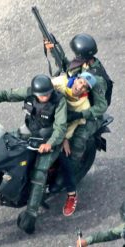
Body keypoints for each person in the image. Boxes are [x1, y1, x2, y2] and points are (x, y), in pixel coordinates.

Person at [0, 75, 67, 234]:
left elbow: (60, 128)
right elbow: (6, 94)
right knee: (4, 142)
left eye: (48, 93)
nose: (45, 97)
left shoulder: (59, 101)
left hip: (49, 139)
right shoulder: (29, 92)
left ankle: (31, 214)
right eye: (42, 94)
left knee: (39, 172)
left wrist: (49, 144)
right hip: (29, 130)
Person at [46, 34, 111, 181]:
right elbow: (69, 69)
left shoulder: (98, 79)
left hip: (91, 113)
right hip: (76, 100)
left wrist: (80, 115)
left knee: (78, 140)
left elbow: (101, 107)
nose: (75, 57)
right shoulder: (84, 63)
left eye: (77, 55)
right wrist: (52, 50)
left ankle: (69, 175)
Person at [52, 72, 97, 216]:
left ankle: (72, 195)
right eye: (80, 82)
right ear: (75, 79)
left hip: (63, 130)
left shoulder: (84, 106)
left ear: (86, 92)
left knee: (66, 160)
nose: (80, 86)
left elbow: (71, 125)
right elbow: (45, 85)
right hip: (46, 120)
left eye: (85, 87)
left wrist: (64, 139)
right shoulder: (62, 81)